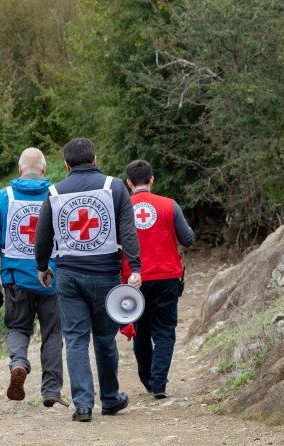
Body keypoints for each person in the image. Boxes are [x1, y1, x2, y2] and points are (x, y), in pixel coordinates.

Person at [34, 138, 142, 422]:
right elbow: (128, 232)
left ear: (67, 165)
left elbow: (42, 235)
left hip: (68, 276)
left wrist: (42, 266)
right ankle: (109, 399)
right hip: (105, 274)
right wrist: (135, 268)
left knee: (76, 340)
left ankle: (83, 405)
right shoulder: (115, 187)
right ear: (95, 160)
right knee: (105, 339)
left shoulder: (54, 192)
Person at [0, 148, 66, 407]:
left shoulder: (4, 197)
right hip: (52, 278)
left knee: (19, 327)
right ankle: (51, 390)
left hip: (16, 278)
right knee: (53, 334)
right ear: (44, 169)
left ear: (20, 169)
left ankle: (18, 362)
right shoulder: (57, 195)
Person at [123, 159, 194, 399]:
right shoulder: (169, 205)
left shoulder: (121, 209)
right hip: (167, 276)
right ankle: (159, 383)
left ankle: (148, 381)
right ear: (152, 180)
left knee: (141, 330)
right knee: (164, 331)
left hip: (134, 280)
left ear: (128, 182)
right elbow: (188, 239)